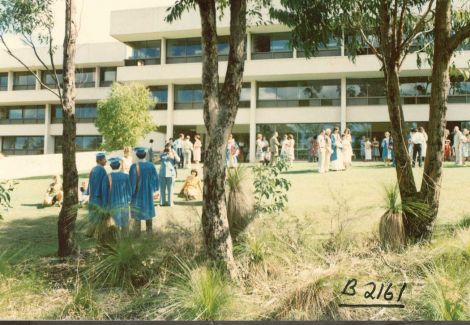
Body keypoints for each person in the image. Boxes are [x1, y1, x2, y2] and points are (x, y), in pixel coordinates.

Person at [129, 147, 159, 236]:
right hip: (148, 193)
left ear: (137, 156)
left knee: (137, 211)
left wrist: (130, 193)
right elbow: (155, 179)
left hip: (137, 193)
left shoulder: (134, 166)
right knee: (148, 210)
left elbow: (132, 182)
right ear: (145, 155)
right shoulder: (151, 165)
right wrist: (155, 190)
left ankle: (136, 233)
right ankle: (149, 232)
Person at [101, 157, 132, 237]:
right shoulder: (126, 176)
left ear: (111, 166)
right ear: (119, 165)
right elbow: (129, 190)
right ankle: (126, 239)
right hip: (124, 203)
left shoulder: (107, 177)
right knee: (125, 223)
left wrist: (105, 205)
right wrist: (129, 200)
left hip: (113, 204)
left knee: (116, 224)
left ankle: (117, 240)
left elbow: (104, 194)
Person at [86, 152, 108, 237]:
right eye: (104, 159)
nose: (106, 161)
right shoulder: (102, 170)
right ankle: (101, 234)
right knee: (100, 216)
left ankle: (89, 233)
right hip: (100, 196)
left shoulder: (93, 169)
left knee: (92, 216)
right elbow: (105, 184)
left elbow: (90, 184)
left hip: (92, 196)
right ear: (100, 160)